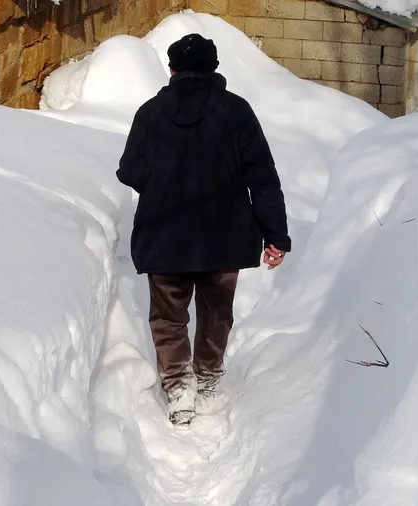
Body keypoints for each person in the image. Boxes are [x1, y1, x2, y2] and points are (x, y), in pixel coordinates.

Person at [116, 33, 292, 427]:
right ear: (214, 68)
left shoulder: (150, 113)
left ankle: (179, 389)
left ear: (172, 69)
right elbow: (262, 178)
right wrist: (275, 236)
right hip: (223, 236)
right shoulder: (237, 112)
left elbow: (130, 170)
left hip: (164, 235)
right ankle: (208, 379)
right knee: (216, 313)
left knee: (168, 318)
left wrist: (162, 181)